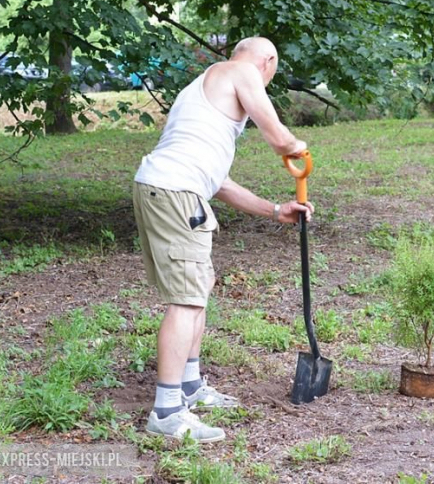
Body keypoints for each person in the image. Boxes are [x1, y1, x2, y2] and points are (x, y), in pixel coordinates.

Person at [132, 37, 313, 442]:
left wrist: (274, 209)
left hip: (173, 189)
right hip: (175, 192)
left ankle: (191, 386)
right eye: (272, 72)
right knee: (186, 300)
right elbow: (281, 140)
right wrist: (298, 147)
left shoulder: (206, 90)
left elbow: (221, 184)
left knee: (199, 287)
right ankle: (166, 411)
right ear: (268, 61)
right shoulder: (241, 71)